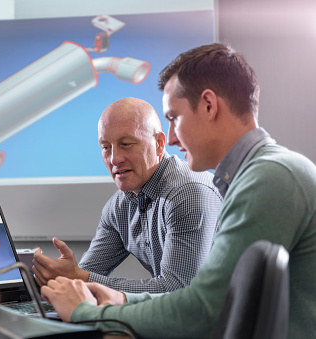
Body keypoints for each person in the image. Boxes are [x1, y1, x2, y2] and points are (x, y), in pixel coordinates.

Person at [40, 43, 316, 338]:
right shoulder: (259, 174)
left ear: (209, 105)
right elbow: (204, 301)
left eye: (174, 118)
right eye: (105, 147)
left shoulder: (269, 178)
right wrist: (121, 300)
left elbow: (204, 310)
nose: (171, 138)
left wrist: (88, 313)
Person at [32, 97, 222, 294]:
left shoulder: (187, 194)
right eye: (106, 147)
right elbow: (84, 275)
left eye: (126, 144)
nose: (114, 159)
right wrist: (48, 273)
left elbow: (177, 291)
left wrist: (80, 278)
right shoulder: (119, 207)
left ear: (159, 143)